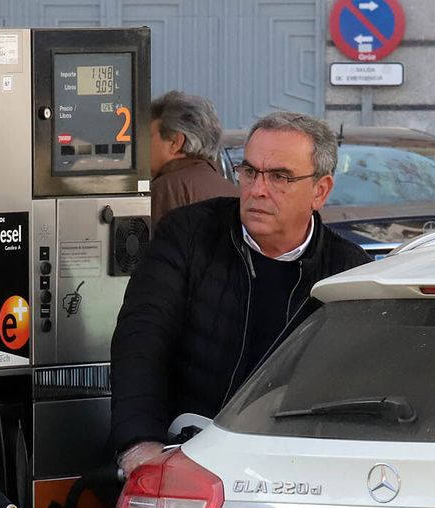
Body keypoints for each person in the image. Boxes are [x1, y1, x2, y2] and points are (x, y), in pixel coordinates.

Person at [111, 111, 371, 472]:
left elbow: (358, 391)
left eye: (280, 177)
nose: (257, 190)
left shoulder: (346, 272)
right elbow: (141, 339)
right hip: (186, 456)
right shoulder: (188, 235)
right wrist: (140, 444)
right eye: (249, 172)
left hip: (297, 468)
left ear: (320, 191)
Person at [148, 90, 235, 227]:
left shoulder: (167, 188)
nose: (141, 145)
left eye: (149, 137)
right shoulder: (230, 191)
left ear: (175, 142)